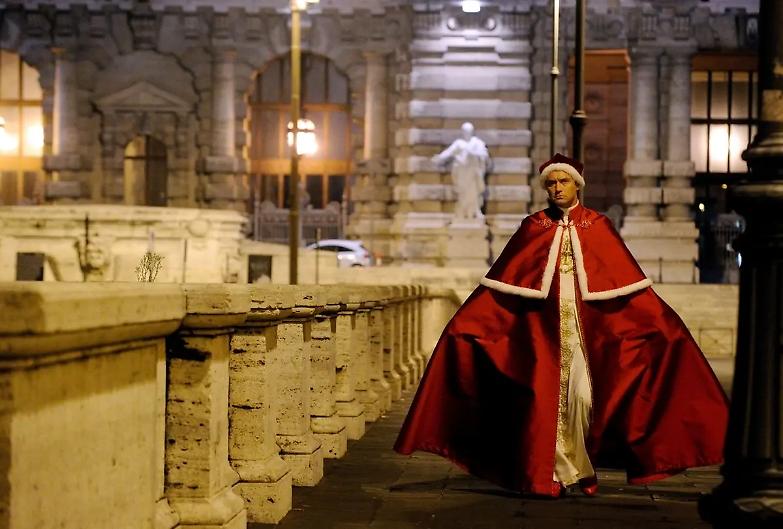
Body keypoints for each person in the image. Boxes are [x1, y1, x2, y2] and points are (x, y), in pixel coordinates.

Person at [394, 153, 729, 497]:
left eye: (563, 181)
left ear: (576, 185)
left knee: (582, 399)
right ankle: (558, 474)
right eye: (551, 183)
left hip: (587, 334)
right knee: (546, 403)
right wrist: (464, 324)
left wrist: (662, 323)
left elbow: (627, 283)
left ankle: (578, 466)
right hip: (542, 336)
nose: (557, 188)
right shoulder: (533, 226)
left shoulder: (598, 225)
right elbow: (500, 284)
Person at [432, 122, 490, 220]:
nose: (466, 133)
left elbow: (484, 155)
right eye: (465, 131)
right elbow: (449, 152)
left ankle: (474, 212)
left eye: (468, 131)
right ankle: (463, 212)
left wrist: (474, 153)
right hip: (462, 172)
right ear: (462, 132)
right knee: (462, 193)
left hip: (473, 173)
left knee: (473, 193)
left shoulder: (477, 142)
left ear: (472, 132)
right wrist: (440, 157)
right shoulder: (459, 143)